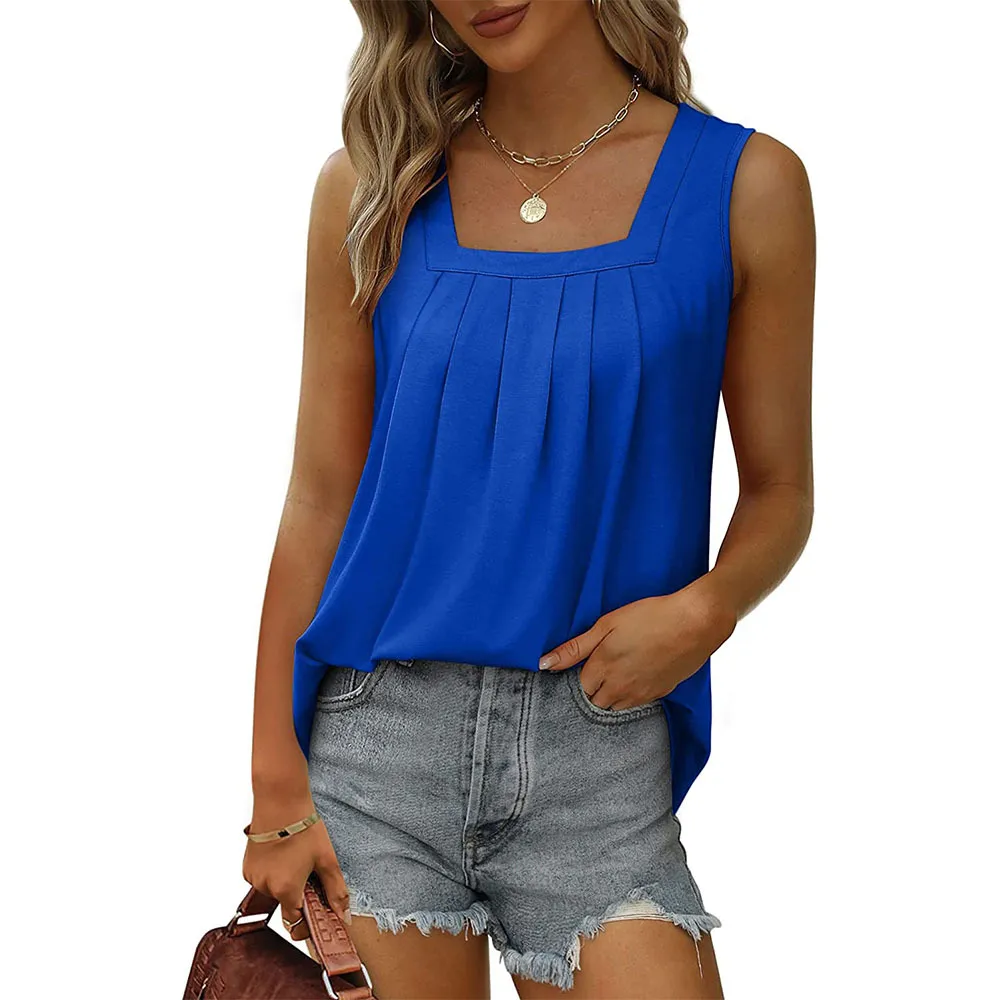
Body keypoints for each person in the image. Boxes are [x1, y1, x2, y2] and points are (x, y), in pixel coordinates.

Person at [241, 1, 815, 996]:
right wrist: (275, 790)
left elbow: (781, 489)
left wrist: (707, 610)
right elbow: (318, 498)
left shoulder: (746, 185)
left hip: (601, 760)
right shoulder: (371, 186)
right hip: (379, 754)